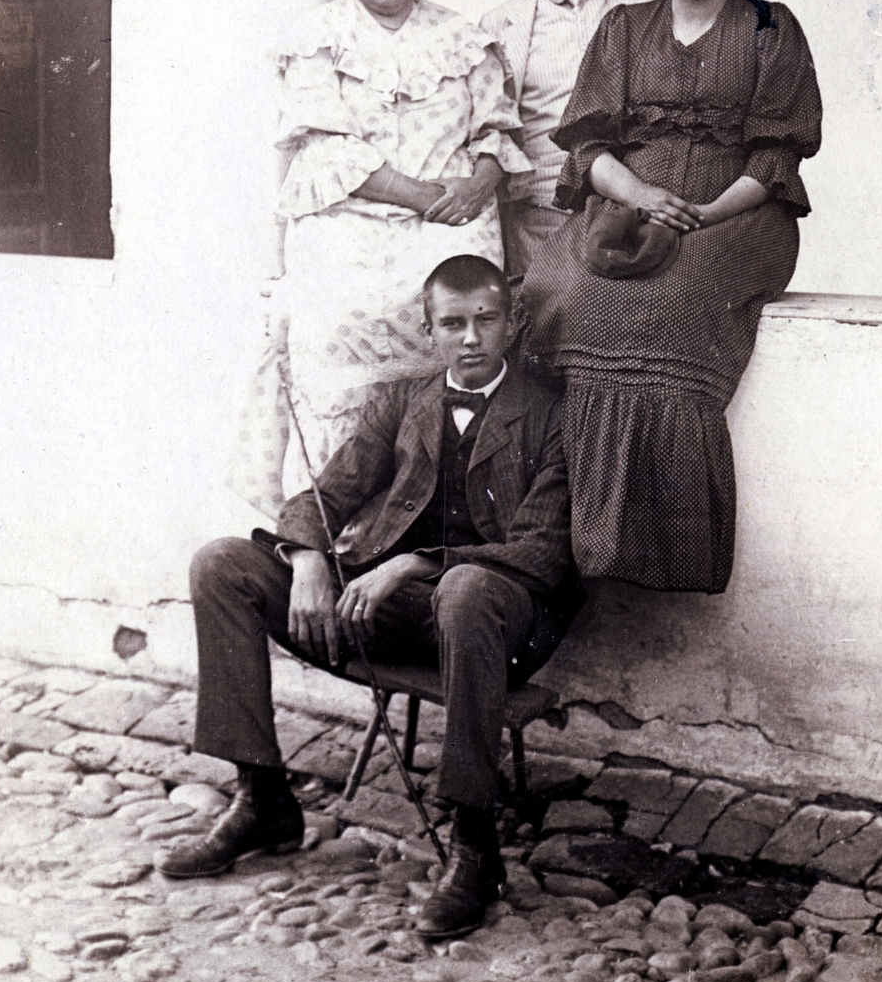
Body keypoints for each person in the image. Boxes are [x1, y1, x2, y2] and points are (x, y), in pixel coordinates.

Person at [160, 255, 579, 939]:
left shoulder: (553, 413)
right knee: (222, 564)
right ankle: (263, 797)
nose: (470, 338)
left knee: (466, 589)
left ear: (513, 323)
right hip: (382, 612)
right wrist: (307, 561)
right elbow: (324, 497)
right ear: (428, 330)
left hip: (494, 621)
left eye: (485, 320)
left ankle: (474, 847)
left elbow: (542, 548)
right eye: (452, 324)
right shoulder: (400, 402)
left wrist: (415, 562)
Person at [522, 0, 822, 594]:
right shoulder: (624, 27)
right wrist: (641, 194)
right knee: (555, 289)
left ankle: (661, 548)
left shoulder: (768, 27)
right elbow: (589, 149)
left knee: (675, 302)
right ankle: (565, 529)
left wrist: (701, 213)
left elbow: (776, 154)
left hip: (738, 213)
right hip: (632, 201)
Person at [235, 0, 533, 512]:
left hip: (453, 216)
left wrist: (479, 181)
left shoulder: (460, 34)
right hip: (353, 213)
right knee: (338, 316)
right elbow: (329, 148)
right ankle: (330, 507)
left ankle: (441, 497)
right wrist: (425, 195)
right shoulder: (318, 37)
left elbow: (496, 129)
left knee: (462, 305)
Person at [481, 0, 660, 278]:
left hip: (635, 213)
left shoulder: (650, 4)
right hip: (542, 218)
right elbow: (494, 131)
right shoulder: (500, 25)